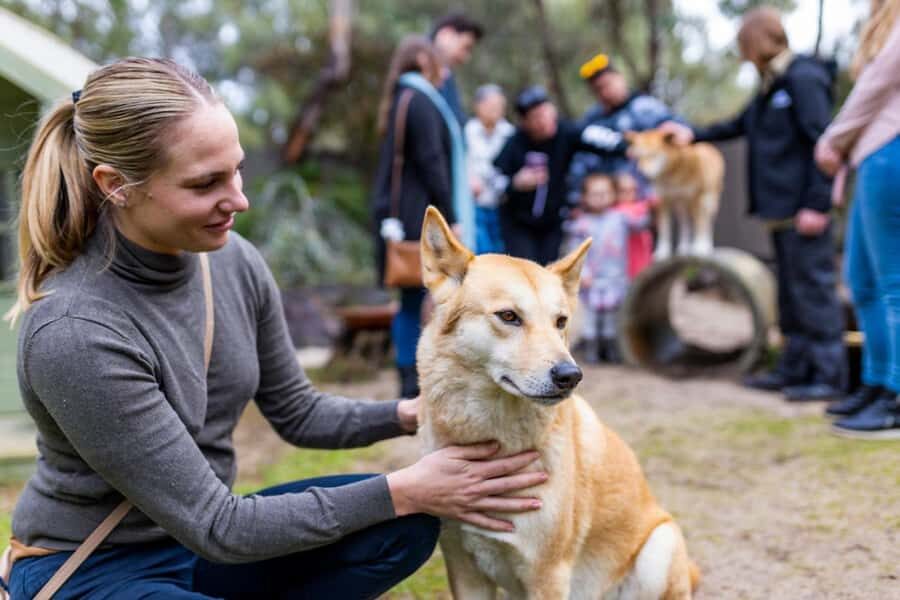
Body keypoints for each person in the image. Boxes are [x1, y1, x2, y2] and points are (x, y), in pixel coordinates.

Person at [2, 57, 547, 599]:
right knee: (402, 502)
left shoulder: (233, 261)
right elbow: (222, 526)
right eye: (205, 183)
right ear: (116, 185)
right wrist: (406, 487)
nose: (239, 199)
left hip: (199, 549)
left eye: (236, 169)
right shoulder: (75, 330)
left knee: (399, 530)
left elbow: (297, 411)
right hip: (98, 567)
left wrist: (414, 414)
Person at [660, 6, 846, 402]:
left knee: (814, 292)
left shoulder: (803, 78)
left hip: (804, 210)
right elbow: (736, 125)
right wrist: (690, 133)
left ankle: (829, 376)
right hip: (778, 211)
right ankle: (794, 369)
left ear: (755, 40)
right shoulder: (769, 85)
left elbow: (824, 144)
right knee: (790, 296)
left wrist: (817, 202)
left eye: (741, 43)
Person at [815, 0, 900, 438]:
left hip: (890, 152)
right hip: (870, 158)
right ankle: (876, 382)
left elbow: (879, 83)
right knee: (862, 281)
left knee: (892, 284)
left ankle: (895, 395)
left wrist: (835, 136)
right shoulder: (881, 24)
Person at [372, 36, 473, 399]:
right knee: (415, 299)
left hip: (405, 212)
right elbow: (432, 162)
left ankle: (411, 376)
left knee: (413, 300)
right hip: (419, 215)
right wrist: (453, 214)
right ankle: (410, 381)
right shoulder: (420, 102)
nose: (444, 72)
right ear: (421, 60)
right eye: (438, 63)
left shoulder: (404, 98)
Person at [493, 85, 628, 265]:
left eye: (546, 112)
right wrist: (516, 183)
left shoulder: (566, 131)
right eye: (536, 117)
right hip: (518, 223)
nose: (544, 120)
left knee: (548, 270)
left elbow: (600, 139)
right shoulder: (515, 142)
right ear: (525, 123)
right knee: (524, 269)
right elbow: (494, 179)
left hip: (553, 222)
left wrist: (630, 146)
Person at [567, 53, 682, 207]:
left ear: (620, 78)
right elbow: (580, 161)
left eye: (607, 84)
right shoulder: (591, 120)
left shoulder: (644, 107)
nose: (605, 92)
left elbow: (678, 129)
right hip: (604, 205)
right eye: (598, 89)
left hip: (643, 199)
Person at [564, 173, 647, 363]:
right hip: (592, 280)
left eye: (606, 193)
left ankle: (611, 350)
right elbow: (575, 252)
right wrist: (582, 273)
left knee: (612, 318)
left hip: (615, 278)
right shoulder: (580, 224)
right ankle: (592, 351)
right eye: (595, 194)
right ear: (584, 197)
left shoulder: (621, 218)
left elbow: (642, 224)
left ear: (613, 194)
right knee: (592, 318)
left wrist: (649, 204)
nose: (601, 197)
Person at [465, 84, 514, 254]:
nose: (497, 111)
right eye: (492, 106)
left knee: (500, 251)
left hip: (502, 204)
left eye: (500, 107)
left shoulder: (510, 134)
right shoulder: (466, 132)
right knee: (480, 251)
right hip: (475, 204)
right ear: (478, 106)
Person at [430, 12, 484, 127]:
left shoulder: (446, 74)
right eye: (466, 47)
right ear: (446, 34)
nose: (465, 58)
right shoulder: (415, 67)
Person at [613, 170, 654, 279]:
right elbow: (637, 222)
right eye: (623, 190)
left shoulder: (641, 206)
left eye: (633, 190)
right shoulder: (615, 211)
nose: (629, 194)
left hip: (643, 259)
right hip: (624, 263)